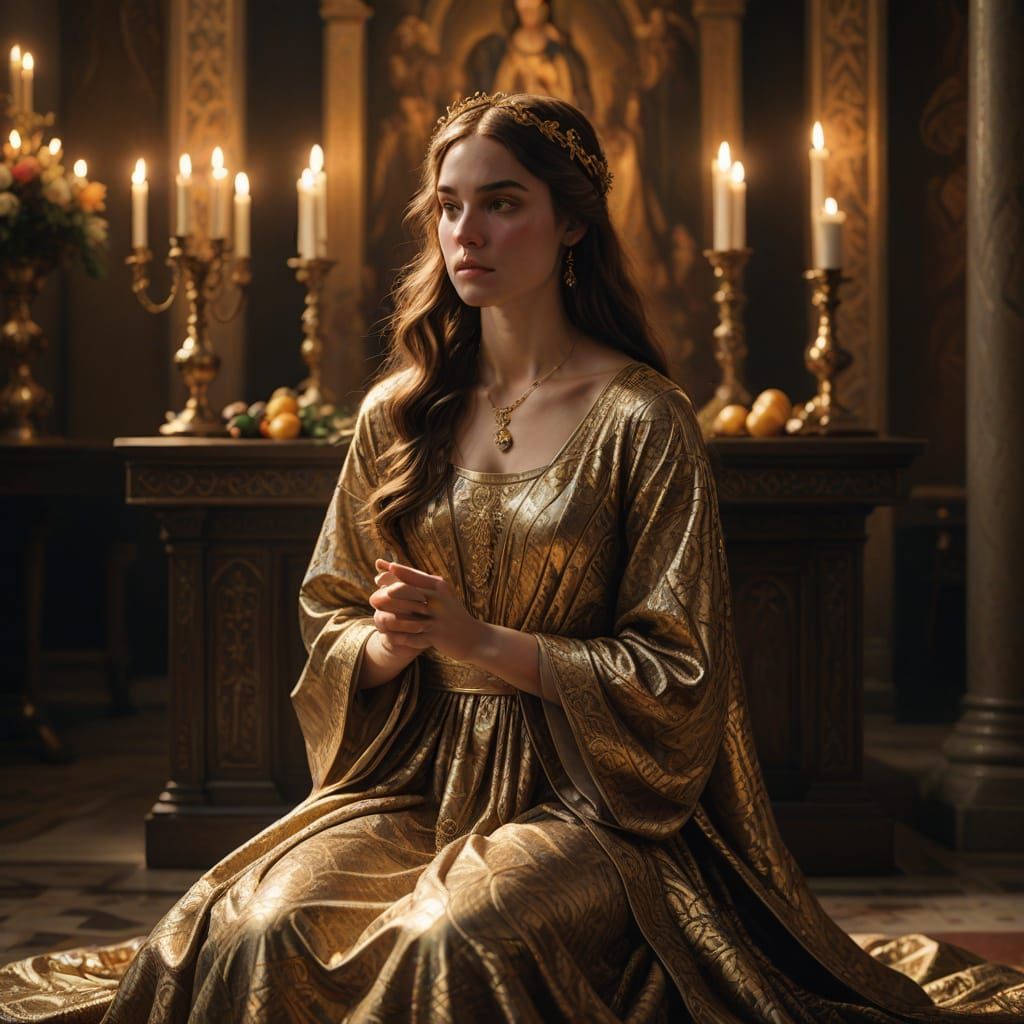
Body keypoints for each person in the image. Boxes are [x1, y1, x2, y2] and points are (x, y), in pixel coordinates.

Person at [1, 91, 1022, 1024]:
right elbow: (327, 608)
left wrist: (482, 639)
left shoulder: (642, 420)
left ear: (571, 221)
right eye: (447, 206)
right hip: (407, 778)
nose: (465, 233)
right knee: (257, 925)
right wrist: (385, 648)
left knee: (454, 937)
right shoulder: (397, 414)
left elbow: (683, 674)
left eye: (499, 203)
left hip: (587, 799)